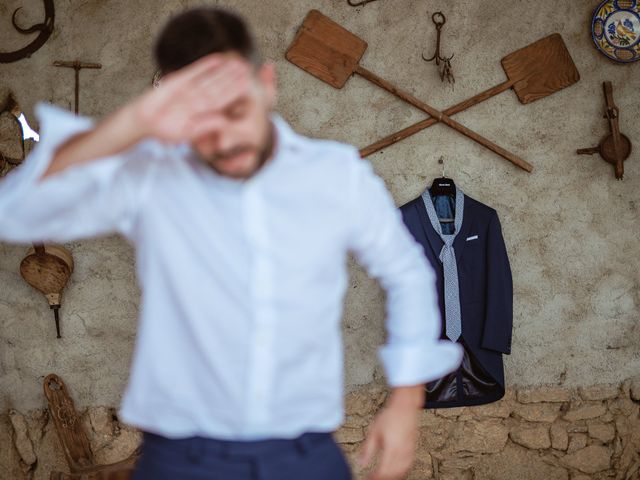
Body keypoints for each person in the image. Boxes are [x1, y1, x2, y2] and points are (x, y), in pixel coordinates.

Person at [0, 6, 463, 480]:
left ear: (266, 82)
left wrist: (407, 398)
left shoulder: (334, 174)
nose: (225, 142)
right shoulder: (151, 177)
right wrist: (134, 122)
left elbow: (406, 272)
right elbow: (15, 211)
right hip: (180, 457)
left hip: (302, 452)